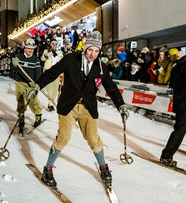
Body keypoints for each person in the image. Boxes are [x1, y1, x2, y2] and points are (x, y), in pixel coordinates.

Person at [34, 31, 129, 187]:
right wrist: (38, 85)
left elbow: (111, 87)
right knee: (63, 138)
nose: (93, 54)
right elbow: (52, 72)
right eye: (90, 50)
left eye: (96, 51)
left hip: (88, 107)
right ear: (85, 48)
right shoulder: (71, 60)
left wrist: (121, 105)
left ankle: (103, 167)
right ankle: (48, 168)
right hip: (68, 106)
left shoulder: (101, 67)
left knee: (93, 139)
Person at [11, 38, 43, 135]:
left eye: (32, 49)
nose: (30, 51)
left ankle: (38, 114)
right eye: (29, 48)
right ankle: (21, 118)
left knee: (33, 100)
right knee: (20, 99)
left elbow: (38, 73)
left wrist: (36, 84)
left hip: (31, 83)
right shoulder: (19, 57)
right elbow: (13, 68)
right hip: (20, 82)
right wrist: (13, 64)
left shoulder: (35, 60)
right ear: (25, 48)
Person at [41, 39, 63, 111]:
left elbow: (62, 62)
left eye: (56, 44)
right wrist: (46, 55)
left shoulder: (59, 53)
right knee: (50, 88)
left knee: (55, 89)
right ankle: (50, 104)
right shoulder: (46, 51)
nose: (54, 45)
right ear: (50, 44)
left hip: (57, 72)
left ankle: (51, 101)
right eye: (53, 43)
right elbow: (42, 59)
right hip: (48, 71)